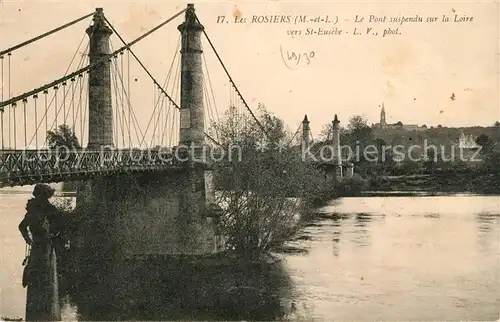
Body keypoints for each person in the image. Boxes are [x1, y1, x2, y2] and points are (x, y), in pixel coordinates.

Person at [19, 183, 62, 321]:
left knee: (37, 281)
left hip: (38, 248)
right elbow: (60, 226)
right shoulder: (48, 209)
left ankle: (35, 317)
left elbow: (22, 227)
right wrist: (53, 236)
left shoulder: (32, 210)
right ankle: (47, 317)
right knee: (47, 282)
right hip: (45, 249)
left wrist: (29, 240)